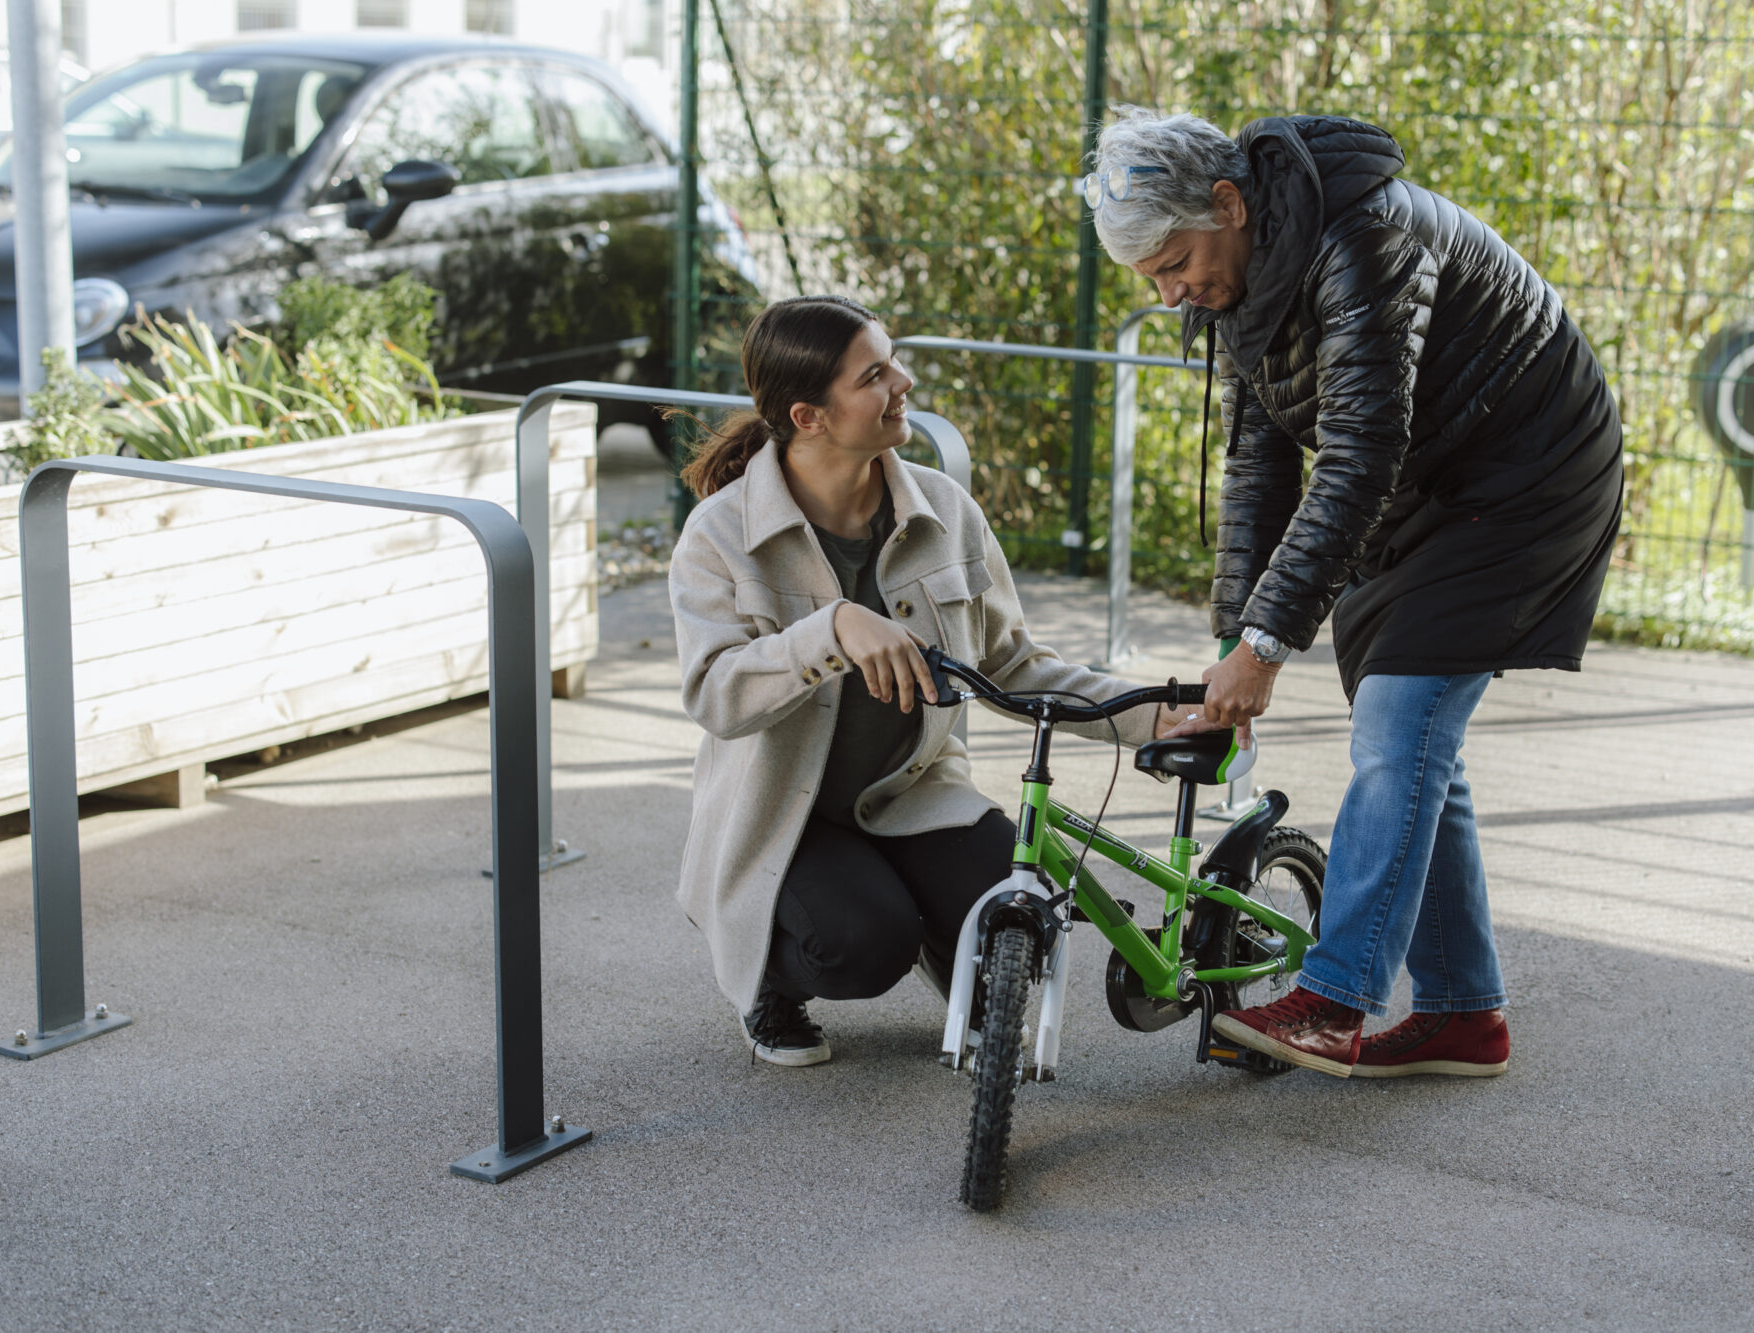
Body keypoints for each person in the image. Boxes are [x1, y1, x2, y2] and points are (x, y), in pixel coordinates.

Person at [1085, 108, 1624, 1078]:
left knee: (1397, 716)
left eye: (1173, 263)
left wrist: (1267, 646)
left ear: (1225, 202)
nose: (1171, 295)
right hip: (1432, 478)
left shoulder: (1364, 237)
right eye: (1154, 281)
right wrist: (1229, 642)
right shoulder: (1242, 285)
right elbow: (1257, 471)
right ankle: (1464, 1013)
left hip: (1528, 470)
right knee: (1415, 738)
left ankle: (1333, 999)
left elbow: (1358, 452)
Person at [668, 294, 1191, 1066]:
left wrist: (1149, 715)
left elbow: (1011, 662)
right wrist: (833, 629)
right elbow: (715, 692)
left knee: (1030, 908)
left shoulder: (945, 509)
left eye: (893, 358)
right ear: (810, 416)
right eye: (875, 374)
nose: (903, 381)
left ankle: (945, 944)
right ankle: (771, 984)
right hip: (784, 811)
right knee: (863, 942)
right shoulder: (721, 533)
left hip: (913, 793)